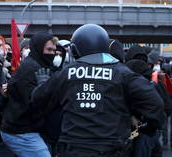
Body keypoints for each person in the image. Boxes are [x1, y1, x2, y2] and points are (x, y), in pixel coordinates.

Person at [32, 24, 166, 157]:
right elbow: (155, 104)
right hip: (113, 149)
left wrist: (43, 82)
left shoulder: (66, 73)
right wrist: (148, 128)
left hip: (74, 149)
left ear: (75, 50)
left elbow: (38, 99)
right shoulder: (122, 73)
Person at [1, 32, 60, 157]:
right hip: (20, 130)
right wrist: (43, 90)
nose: (52, 54)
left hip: (30, 128)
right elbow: (32, 103)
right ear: (38, 48)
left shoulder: (41, 65)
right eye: (49, 49)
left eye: (54, 50)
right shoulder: (31, 69)